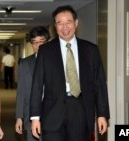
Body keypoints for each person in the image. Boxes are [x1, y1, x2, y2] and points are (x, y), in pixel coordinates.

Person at [30, 5, 110, 141]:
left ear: (76, 23)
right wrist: (35, 117)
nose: (64, 27)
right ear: (55, 26)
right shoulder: (45, 51)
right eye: (59, 23)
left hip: (80, 111)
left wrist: (102, 114)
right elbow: (37, 85)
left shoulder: (91, 50)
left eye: (68, 22)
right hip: (52, 112)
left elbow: (99, 84)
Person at [15, 26, 50, 141]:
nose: (37, 46)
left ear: (48, 42)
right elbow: (21, 92)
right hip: (31, 115)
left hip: (54, 114)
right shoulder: (25, 64)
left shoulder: (57, 62)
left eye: (41, 42)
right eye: (34, 42)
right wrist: (19, 117)